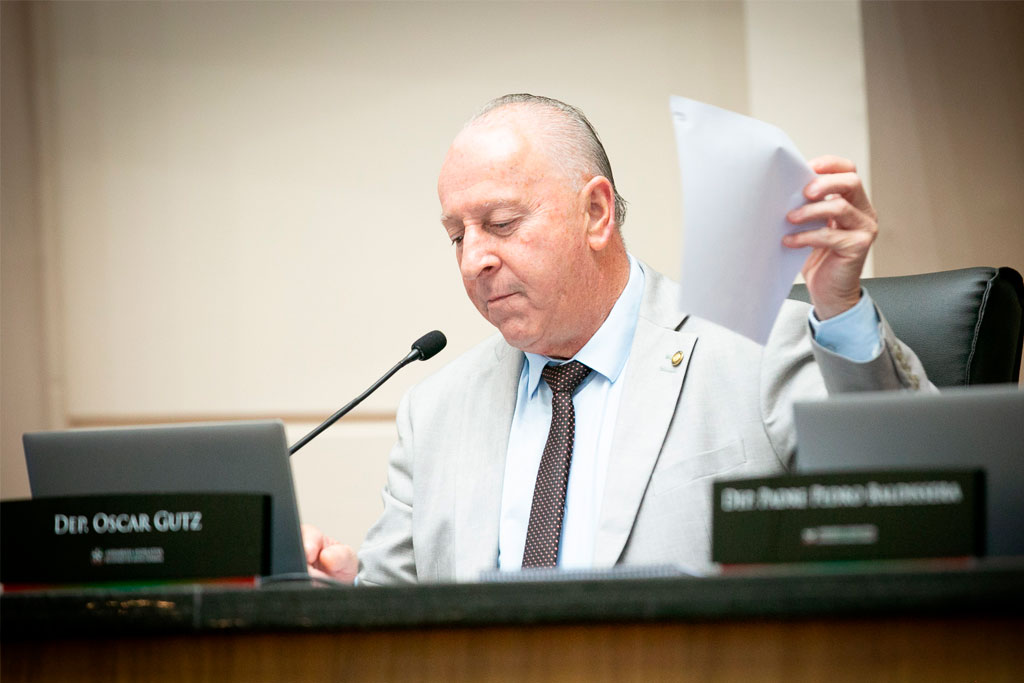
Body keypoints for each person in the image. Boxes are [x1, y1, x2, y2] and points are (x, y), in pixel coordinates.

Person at [303, 94, 930, 584]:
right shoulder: (434, 411)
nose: (474, 261)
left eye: (500, 223)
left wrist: (841, 311)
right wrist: (339, 586)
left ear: (596, 213)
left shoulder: (758, 350)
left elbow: (913, 508)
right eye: (457, 236)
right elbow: (394, 605)